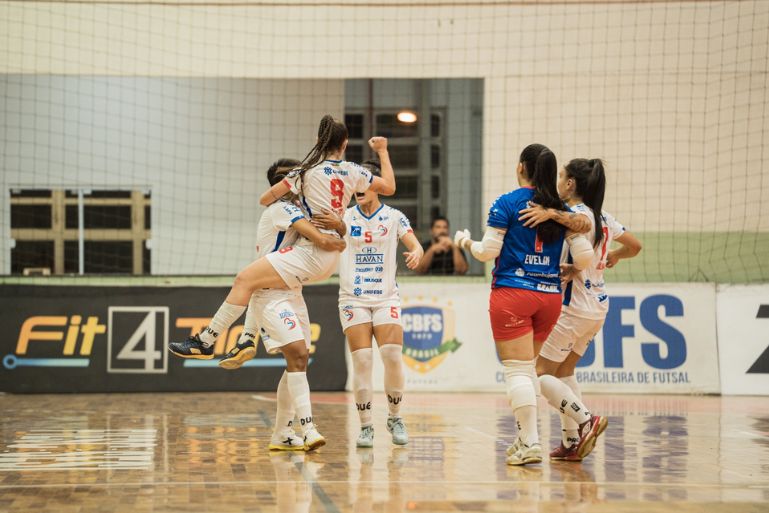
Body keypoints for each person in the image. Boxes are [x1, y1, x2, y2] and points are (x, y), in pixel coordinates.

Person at [453, 143, 598, 466]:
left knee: (517, 371)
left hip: (512, 293)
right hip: (549, 296)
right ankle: (531, 437)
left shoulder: (508, 202)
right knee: (530, 370)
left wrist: (463, 241)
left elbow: (487, 252)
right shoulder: (562, 209)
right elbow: (586, 256)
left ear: (521, 167)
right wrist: (571, 266)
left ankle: (531, 442)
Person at [311, 159, 424, 448]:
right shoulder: (344, 216)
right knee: (362, 361)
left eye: (367, 182)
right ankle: (365, 426)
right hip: (353, 298)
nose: (361, 188)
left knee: (392, 355)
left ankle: (395, 416)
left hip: (386, 297)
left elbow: (415, 244)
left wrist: (417, 252)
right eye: (358, 183)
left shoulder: (395, 217)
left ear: (377, 187)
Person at [535, 158, 642, 462]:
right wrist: (615, 257)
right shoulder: (605, 217)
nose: (558, 183)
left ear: (570, 184)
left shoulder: (573, 215)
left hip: (573, 306)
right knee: (565, 372)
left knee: (538, 374)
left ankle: (587, 420)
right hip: (598, 307)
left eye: (561, 177)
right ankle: (571, 442)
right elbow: (635, 246)